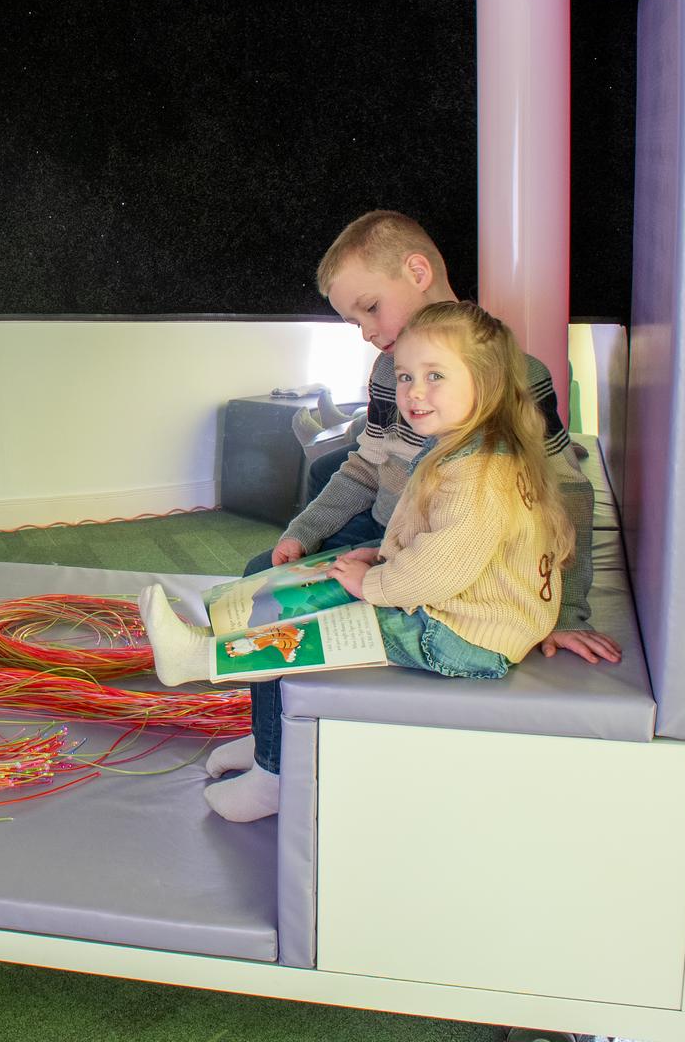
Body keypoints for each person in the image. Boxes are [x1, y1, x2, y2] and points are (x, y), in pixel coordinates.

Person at [144, 302, 600, 821]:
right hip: (473, 611)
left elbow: (439, 569)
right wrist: (380, 556)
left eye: (435, 376)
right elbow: (443, 539)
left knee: (311, 628)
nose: (414, 392)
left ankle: (268, 765)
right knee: (307, 589)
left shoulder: (476, 472)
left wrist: (374, 583)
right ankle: (267, 739)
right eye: (406, 376)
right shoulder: (472, 447)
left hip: (465, 634)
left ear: (487, 383)